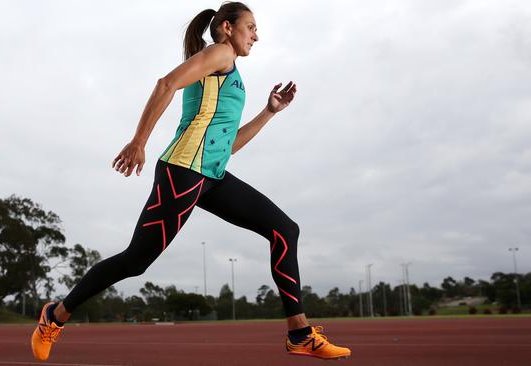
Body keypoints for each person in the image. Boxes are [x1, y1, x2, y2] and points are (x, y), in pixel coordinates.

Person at [31, 2, 351, 361]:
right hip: (182, 172)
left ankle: (300, 332)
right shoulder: (219, 54)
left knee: (284, 229)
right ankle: (55, 315)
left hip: (211, 176)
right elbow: (165, 83)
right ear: (227, 28)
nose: (256, 36)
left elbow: (228, 147)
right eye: (251, 27)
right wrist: (139, 141)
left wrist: (269, 112)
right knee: (134, 262)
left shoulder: (230, 73)